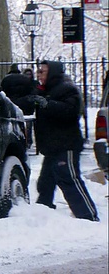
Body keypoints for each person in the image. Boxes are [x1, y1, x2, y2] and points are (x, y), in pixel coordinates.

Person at [33, 60, 99, 221]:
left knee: (68, 178)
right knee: (45, 182)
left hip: (66, 144)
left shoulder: (66, 89)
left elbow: (70, 111)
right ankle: (42, 213)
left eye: (43, 72)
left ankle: (87, 216)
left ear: (53, 73)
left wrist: (47, 104)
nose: (39, 75)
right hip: (51, 147)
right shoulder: (44, 91)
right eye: (38, 71)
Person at [22, 67, 40, 149]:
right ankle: (27, 141)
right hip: (24, 104)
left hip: (29, 105)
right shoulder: (22, 83)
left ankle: (28, 141)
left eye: (29, 74)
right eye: (26, 74)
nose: (28, 76)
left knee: (29, 125)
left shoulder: (34, 83)